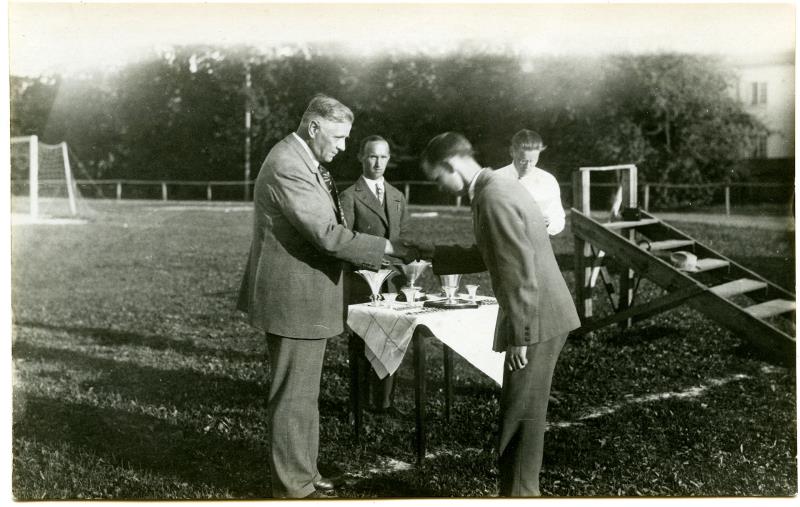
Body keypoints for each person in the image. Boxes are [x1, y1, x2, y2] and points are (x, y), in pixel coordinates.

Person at [236, 94, 414, 499]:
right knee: (293, 395)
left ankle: (305, 471)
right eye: (338, 136)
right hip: (292, 298)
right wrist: (388, 248)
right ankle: (295, 487)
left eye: (347, 138)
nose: (344, 147)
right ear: (313, 127)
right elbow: (327, 235)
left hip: (305, 296)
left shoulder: (302, 160)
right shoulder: (287, 165)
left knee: (304, 394)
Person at [415, 132, 580, 497]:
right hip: (541, 312)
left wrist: (520, 335)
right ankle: (521, 492)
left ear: (451, 164)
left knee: (519, 416)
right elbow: (489, 252)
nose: (440, 187)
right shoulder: (497, 185)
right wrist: (429, 252)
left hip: (536, 317)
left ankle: (519, 496)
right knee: (523, 414)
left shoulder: (493, 195)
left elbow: (518, 270)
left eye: (437, 178)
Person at [340, 135, 409, 416]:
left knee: (390, 339)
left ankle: (384, 402)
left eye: (383, 156)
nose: (378, 162)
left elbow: (400, 240)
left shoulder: (397, 196)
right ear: (361, 157)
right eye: (372, 156)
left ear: (389, 158)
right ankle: (357, 402)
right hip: (361, 281)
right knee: (361, 343)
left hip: (391, 283)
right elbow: (345, 243)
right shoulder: (349, 196)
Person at [495, 129, 565, 236]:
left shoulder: (548, 180)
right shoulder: (495, 178)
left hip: (536, 244)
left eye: (532, 161)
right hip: (502, 243)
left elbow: (559, 218)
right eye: (522, 160)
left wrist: (549, 223)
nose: (528, 166)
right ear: (512, 152)